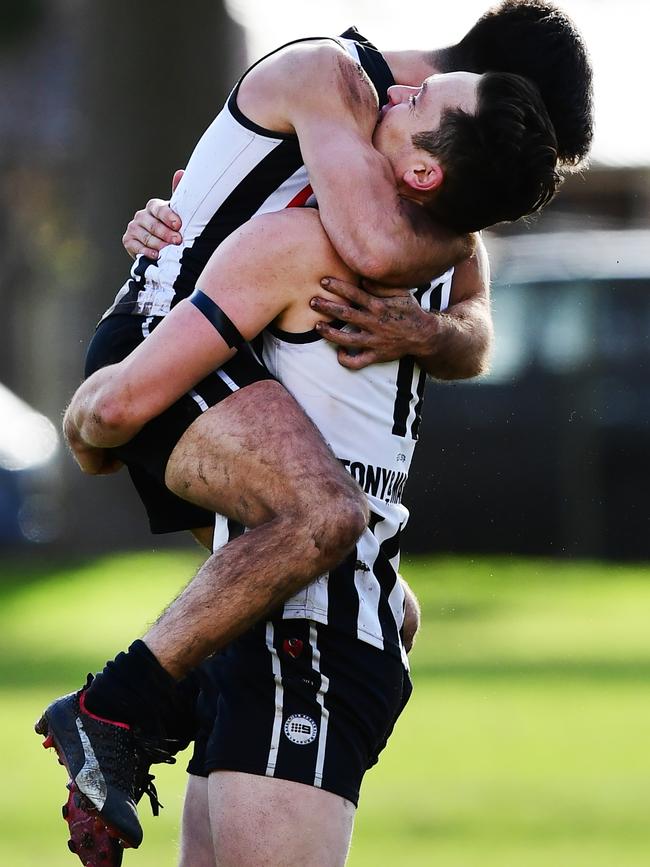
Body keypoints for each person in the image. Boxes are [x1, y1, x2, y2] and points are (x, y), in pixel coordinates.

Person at [37, 3, 592, 861]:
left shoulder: (433, 208)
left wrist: (428, 328)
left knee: (386, 600)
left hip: (229, 365)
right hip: (162, 343)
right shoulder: (329, 85)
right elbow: (369, 245)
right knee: (323, 518)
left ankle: (167, 697)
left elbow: (477, 328)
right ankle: (117, 707)